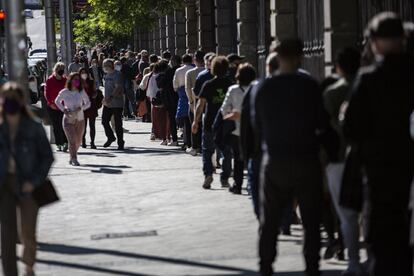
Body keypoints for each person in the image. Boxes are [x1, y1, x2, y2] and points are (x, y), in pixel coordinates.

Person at [255, 38, 335, 276]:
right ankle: (312, 267)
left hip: (275, 159)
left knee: (269, 220)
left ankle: (266, 266)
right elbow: (323, 123)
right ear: (301, 56)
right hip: (305, 158)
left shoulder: (264, 88)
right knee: (311, 221)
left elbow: (257, 123)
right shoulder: (309, 86)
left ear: (275, 56)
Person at [343, 12, 414, 276]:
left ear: (377, 42)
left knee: (382, 241)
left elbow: (351, 128)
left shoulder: (371, 78)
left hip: (380, 171)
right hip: (408, 165)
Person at [0, 82, 54, 276]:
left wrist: (35, 180)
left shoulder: (33, 127)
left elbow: (47, 156)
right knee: (7, 236)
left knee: (27, 233)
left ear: (21, 101)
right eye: (6, 100)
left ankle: (29, 265)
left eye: (13, 100)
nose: (9, 103)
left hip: (28, 184)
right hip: (4, 185)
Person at [323, 47, 364, 276]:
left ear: (338, 67)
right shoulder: (371, 86)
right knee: (369, 211)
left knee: (346, 214)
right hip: (369, 156)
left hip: (339, 158)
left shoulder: (332, 93)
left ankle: (354, 262)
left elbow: (324, 129)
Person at [241, 52, 278, 218]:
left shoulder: (256, 88)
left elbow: (246, 124)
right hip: (294, 149)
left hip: (261, 148)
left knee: (256, 184)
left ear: (268, 67)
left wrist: (246, 153)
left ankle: (261, 215)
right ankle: (285, 221)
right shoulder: (304, 83)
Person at [192, 56, 232, 189]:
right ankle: (225, 178)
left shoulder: (208, 84)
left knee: (207, 151)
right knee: (226, 152)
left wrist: (195, 121)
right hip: (226, 123)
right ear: (226, 69)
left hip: (209, 122)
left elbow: (200, 104)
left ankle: (208, 174)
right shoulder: (230, 84)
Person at [221, 63, 256, 195]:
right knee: (253, 158)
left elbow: (224, 111)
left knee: (238, 159)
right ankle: (253, 185)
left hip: (237, 130)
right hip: (254, 130)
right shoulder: (257, 89)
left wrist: (233, 115)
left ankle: (238, 184)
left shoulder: (233, 90)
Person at [55, 73, 91, 166]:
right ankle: (74, 158)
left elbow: (88, 103)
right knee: (72, 140)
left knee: (78, 141)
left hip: (80, 118)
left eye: (78, 79)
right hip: (68, 119)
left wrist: (81, 108)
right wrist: (64, 109)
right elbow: (57, 101)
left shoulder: (81, 91)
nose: (77, 81)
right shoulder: (65, 92)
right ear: (70, 80)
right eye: (75, 79)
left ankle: (72, 156)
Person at [101, 59, 125, 150]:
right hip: (107, 103)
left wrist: (111, 97)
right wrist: (104, 98)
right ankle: (111, 137)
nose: (104, 67)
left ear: (111, 65)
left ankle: (120, 142)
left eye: (106, 65)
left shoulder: (117, 74)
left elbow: (118, 87)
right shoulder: (106, 75)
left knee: (118, 124)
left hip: (116, 103)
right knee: (104, 121)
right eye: (103, 65)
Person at [185, 50, 205, 155]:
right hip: (206, 102)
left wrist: (191, 101)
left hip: (194, 101)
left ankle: (195, 146)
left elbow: (188, 89)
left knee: (194, 124)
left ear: (194, 60)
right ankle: (203, 145)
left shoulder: (190, 73)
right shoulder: (208, 72)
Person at [44, 62, 68, 151]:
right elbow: (47, 93)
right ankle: (59, 143)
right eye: (59, 70)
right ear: (56, 70)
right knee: (56, 126)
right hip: (53, 107)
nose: (61, 71)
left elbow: (73, 86)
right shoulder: (50, 80)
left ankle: (66, 142)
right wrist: (51, 103)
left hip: (63, 107)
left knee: (64, 125)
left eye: (62, 69)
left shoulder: (65, 79)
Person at [173, 54, 194, 148]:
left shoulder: (179, 70)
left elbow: (175, 85)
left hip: (182, 93)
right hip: (195, 93)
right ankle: (194, 141)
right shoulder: (194, 68)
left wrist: (178, 90)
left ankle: (186, 142)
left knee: (186, 120)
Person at [162, 55, 181, 146]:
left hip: (170, 99)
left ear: (173, 61)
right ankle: (186, 139)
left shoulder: (169, 71)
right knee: (186, 119)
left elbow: (162, 84)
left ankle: (175, 139)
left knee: (172, 119)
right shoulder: (182, 70)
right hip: (181, 97)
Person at [79, 68, 99, 149]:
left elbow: (95, 91)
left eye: (85, 72)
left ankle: (92, 142)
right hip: (81, 105)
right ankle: (83, 141)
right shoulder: (77, 82)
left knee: (92, 125)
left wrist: (95, 94)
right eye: (82, 73)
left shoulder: (91, 81)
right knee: (83, 125)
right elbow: (74, 91)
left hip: (91, 105)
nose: (84, 74)